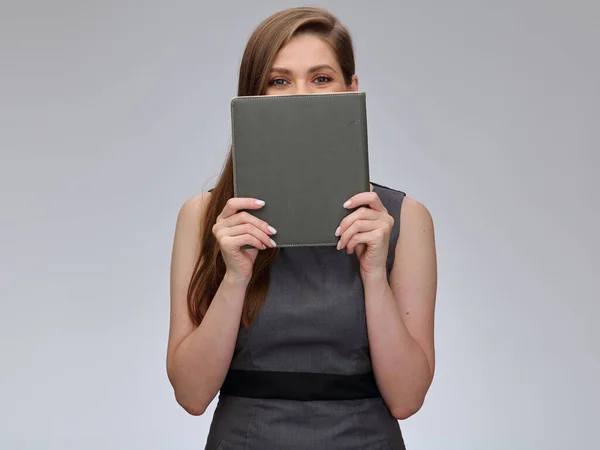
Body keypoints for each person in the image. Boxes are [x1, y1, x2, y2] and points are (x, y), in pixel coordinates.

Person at [166, 6, 437, 450]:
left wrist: (373, 277)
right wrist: (235, 277)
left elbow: (407, 398)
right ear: (252, 96)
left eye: (322, 78)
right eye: (279, 80)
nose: (300, 95)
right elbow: (191, 395)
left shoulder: (405, 219)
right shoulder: (203, 218)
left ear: (352, 89)